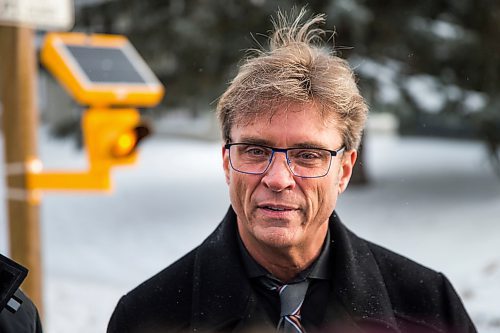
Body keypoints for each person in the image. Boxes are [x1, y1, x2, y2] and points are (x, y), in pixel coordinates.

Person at [107, 9, 476, 333]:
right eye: (255, 150)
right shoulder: (146, 318)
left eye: (307, 155)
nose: (278, 178)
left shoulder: (429, 307)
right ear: (226, 163)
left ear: (344, 170)